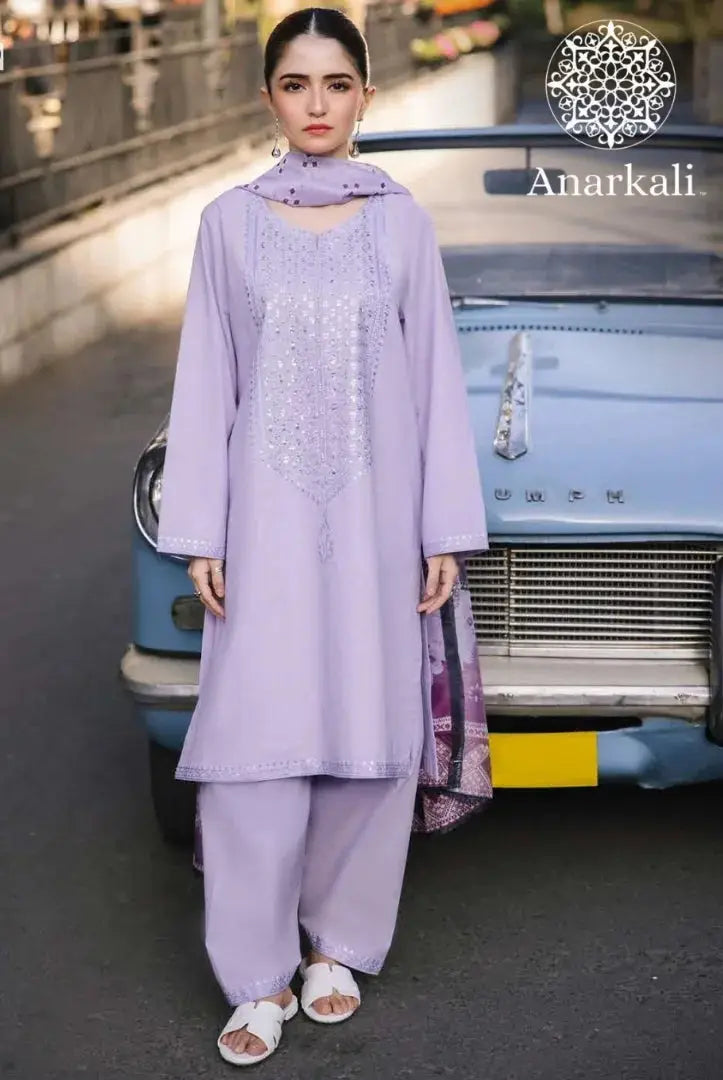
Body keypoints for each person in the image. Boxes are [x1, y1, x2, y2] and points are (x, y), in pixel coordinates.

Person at [155, 5, 489, 1067]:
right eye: (295, 84)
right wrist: (200, 527)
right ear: (268, 98)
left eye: (336, 84)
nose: (316, 104)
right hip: (261, 522)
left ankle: (337, 945)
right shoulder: (226, 224)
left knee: (366, 728)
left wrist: (442, 528)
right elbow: (205, 381)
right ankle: (255, 975)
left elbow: (435, 380)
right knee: (252, 742)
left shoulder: (401, 223)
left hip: (379, 520)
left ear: (365, 97)